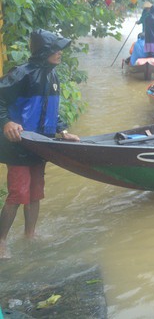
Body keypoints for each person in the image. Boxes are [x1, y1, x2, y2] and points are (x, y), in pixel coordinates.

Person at [0, 30, 80, 259]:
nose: (59, 54)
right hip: (19, 144)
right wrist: (6, 122)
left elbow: (52, 110)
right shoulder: (22, 74)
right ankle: (1, 242)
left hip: (41, 144)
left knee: (35, 193)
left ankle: (30, 234)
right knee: (17, 194)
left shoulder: (53, 76)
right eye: (55, 50)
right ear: (44, 51)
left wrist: (62, 131)